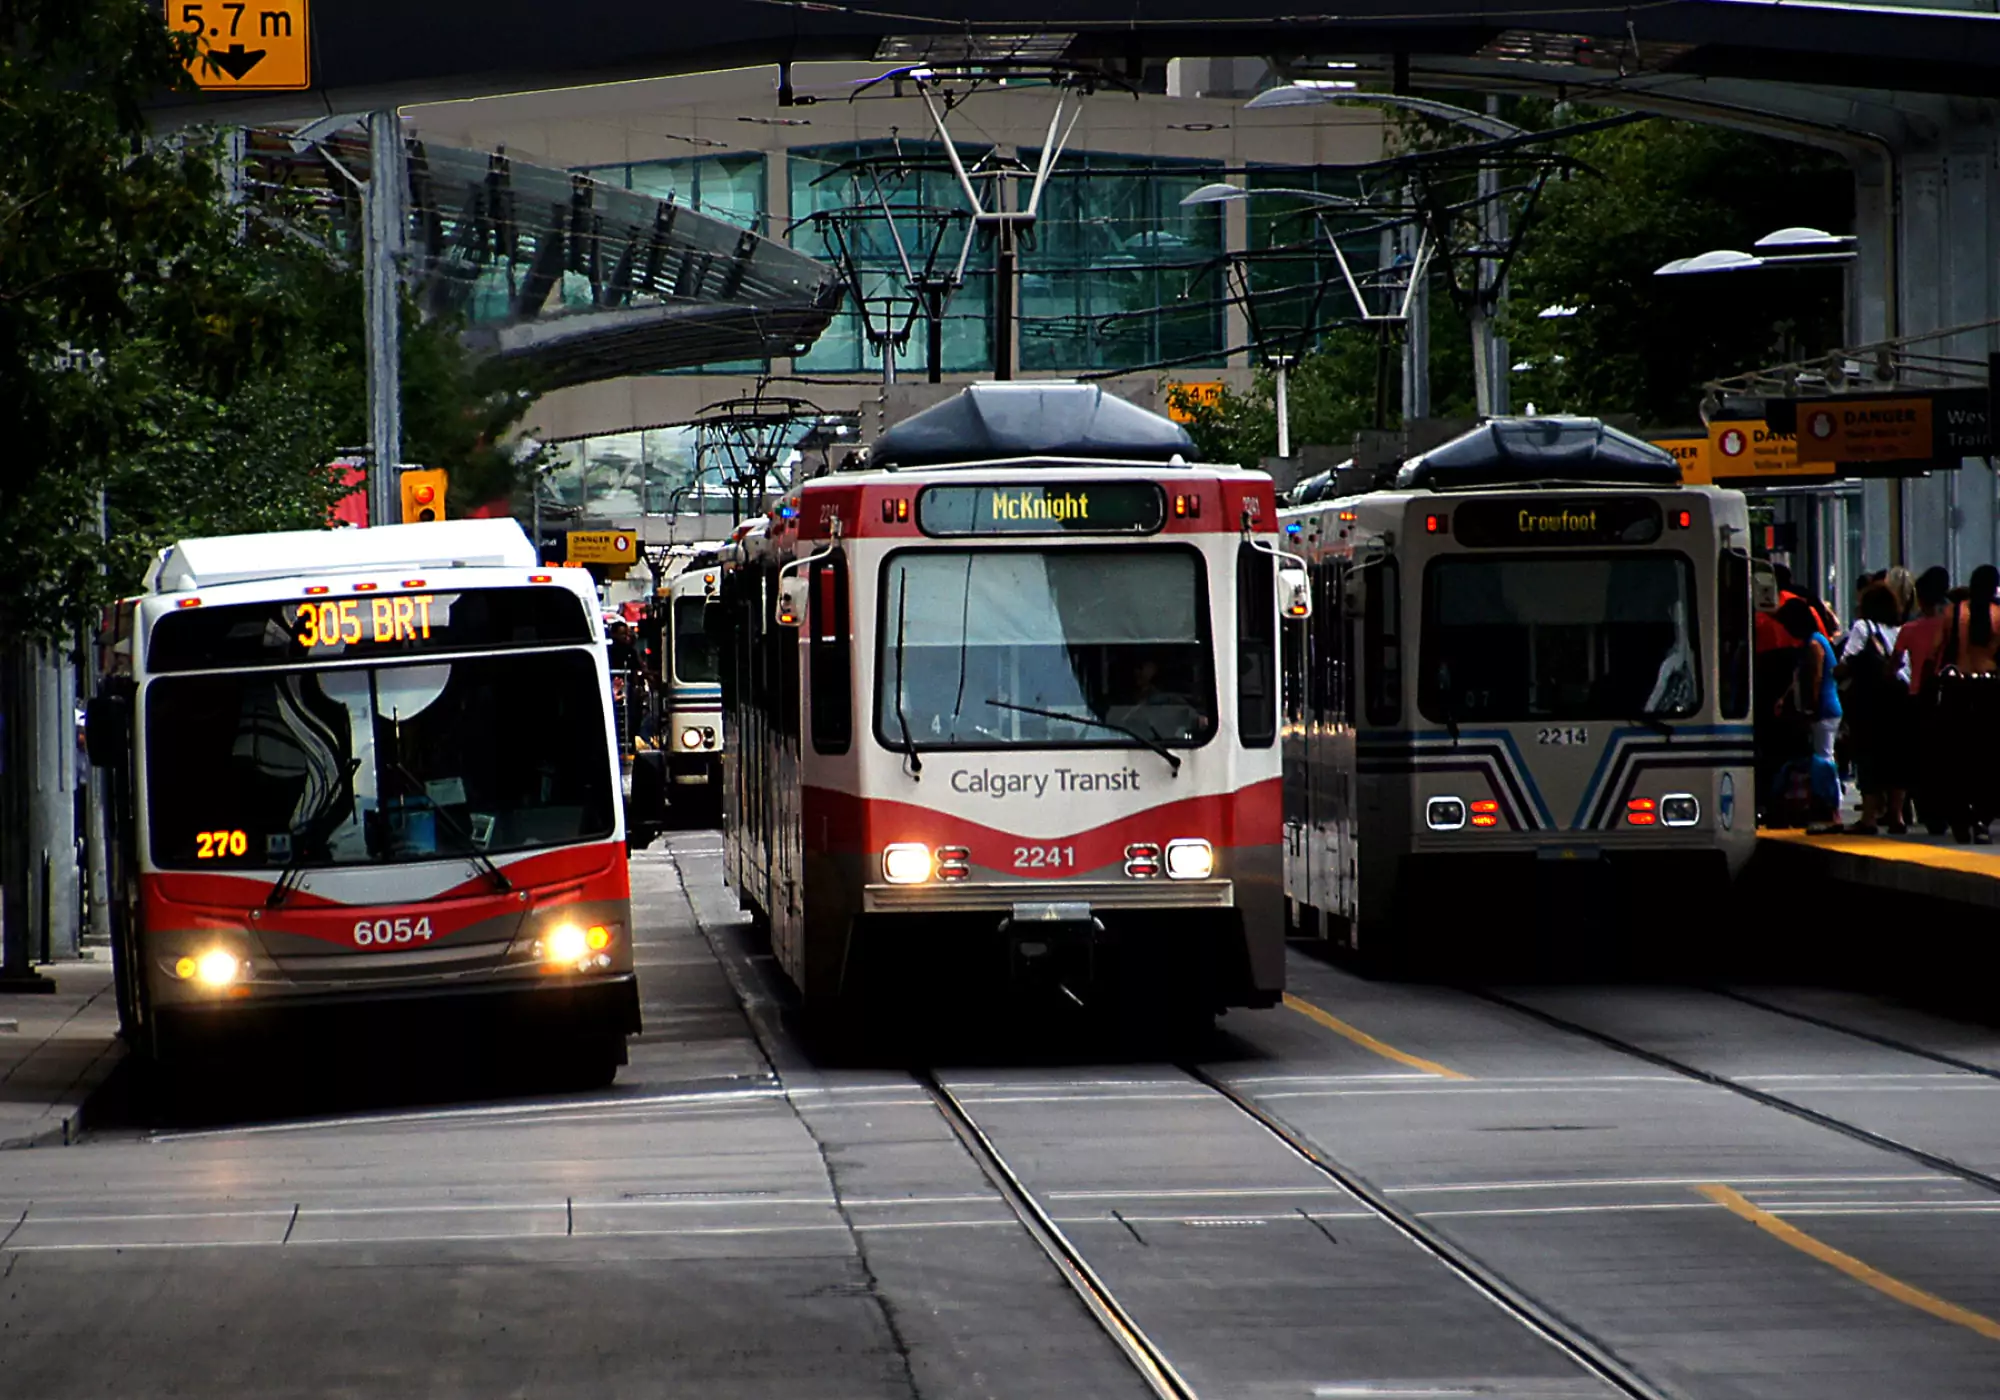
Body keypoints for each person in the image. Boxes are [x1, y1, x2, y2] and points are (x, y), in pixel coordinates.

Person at [1837, 583, 1911, 834]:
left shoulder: (1863, 627)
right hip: (1900, 698)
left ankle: (1869, 817)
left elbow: (1848, 660)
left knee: (1869, 755)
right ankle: (1897, 815)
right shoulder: (1900, 630)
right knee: (1897, 756)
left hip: (1870, 701)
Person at [1934, 564, 2000, 842]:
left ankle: (1960, 816)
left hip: (1958, 687)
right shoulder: (1998, 615)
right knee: (1987, 754)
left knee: (1957, 753)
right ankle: (1983, 817)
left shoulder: (1954, 612)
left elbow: (1939, 649)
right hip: (1990, 687)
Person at [1778, 597, 1843, 830]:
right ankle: (1827, 807)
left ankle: (1832, 809)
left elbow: (1815, 679)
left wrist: (1810, 709)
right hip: (1825, 708)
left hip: (1824, 709)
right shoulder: (1812, 641)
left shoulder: (1815, 644)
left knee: (1824, 759)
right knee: (1824, 757)